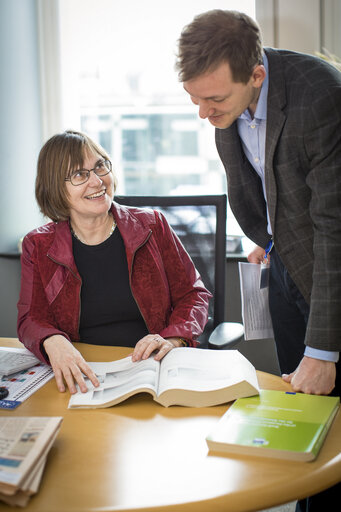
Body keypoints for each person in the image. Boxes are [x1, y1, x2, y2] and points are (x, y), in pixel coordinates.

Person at [176, 11, 340, 510]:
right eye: (195, 100)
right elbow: (264, 179)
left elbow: (336, 228)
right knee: (302, 423)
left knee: (334, 432)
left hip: (331, 278)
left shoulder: (321, 98)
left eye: (215, 100)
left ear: (257, 75)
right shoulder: (226, 103)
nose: (204, 113)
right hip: (284, 262)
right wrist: (271, 239)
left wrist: (324, 353)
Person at [17, 130, 211, 395]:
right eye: (78, 174)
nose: (97, 181)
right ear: (56, 188)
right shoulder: (38, 245)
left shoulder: (153, 225)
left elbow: (193, 294)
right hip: (85, 373)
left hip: (152, 367)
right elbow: (30, 318)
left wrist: (173, 338)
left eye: (99, 166)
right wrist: (52, 340)